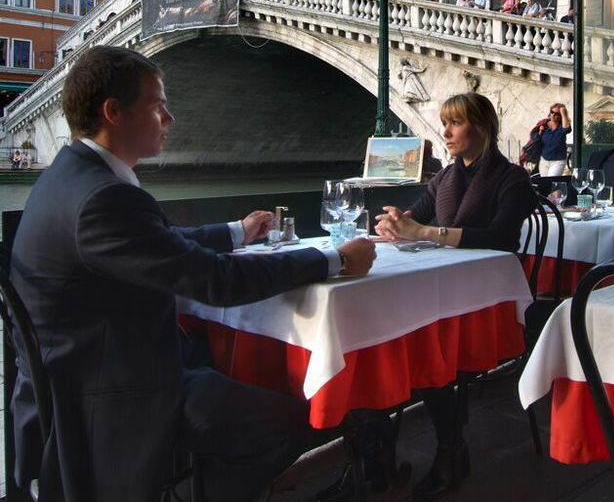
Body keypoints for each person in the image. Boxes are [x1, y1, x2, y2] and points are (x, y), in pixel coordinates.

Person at [9, 46, 376, 502]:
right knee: (288, 420)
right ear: (114, 112)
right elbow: (216, 282)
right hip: (118, 394)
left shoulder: (73, 178)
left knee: (236, 364)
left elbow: (160, 245)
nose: (171, 117)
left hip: (81, 373)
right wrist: (335, 260)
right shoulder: (102, 198)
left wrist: (235, 232)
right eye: (159, 104)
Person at [375, 92, 534, 501]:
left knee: (423, 342)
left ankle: (449, 450)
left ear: (481, 128)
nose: (445, 132)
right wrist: (396, 223)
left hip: (486, 299)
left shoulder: (511, 178)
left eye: (455, 123)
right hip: (445, 291)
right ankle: (375, 456)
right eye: (445, 123)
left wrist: (425, 233)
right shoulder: (444, 178)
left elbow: (501, 238)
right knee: (384, 333)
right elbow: (417, 214)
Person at [531, 102, 571, 176]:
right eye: (552, 112)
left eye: (557, 114)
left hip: (558, 161)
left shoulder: (561, 127)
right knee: (545, 183)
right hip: (544, 159)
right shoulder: (543, 125)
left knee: (551, 181)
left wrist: (563, 112)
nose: (553, 115)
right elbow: (535, 139)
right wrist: (540, 131)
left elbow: (567, 129)